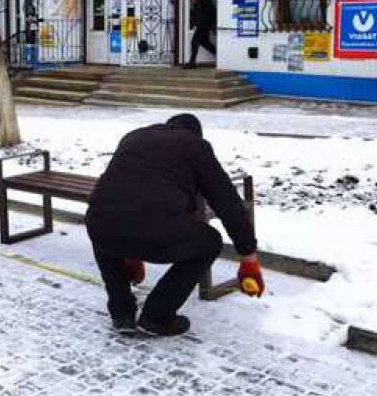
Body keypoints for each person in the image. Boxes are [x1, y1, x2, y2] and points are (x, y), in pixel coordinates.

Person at [86, 113, 264, 336]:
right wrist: (248, 256)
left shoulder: (133, 137)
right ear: (195, 133)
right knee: (209, 241)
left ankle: (122, 313)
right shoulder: (196, 146)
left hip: (100, 222)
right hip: (157, 231)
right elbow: (226, 202)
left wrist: (131, 255)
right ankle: (157, 316)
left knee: (105, 228)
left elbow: (126, 196)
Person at [187, 0, 217, 68]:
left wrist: (194, 24)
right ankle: (220, 55)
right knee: (204, 42)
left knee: (194, 42)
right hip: (206, 25)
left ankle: (192, 63)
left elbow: (198, 14)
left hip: (202, 25)